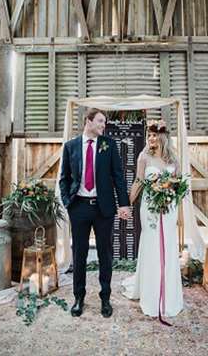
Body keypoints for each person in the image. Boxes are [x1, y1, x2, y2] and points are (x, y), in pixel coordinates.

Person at [59, 108, 131, 318]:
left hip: (103, 208)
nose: (103, 125)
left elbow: (118, 177)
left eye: (104, 122)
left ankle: (105, 298)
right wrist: (67, 202)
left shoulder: (109, 145)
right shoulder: (71, 146)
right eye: (100, 121)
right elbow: (64, 178)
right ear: (88, 121)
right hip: (79, 207)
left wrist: (123, 204)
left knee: (105, 254)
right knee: (79, 254)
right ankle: (78, 297)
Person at [122, 119, 184, 321]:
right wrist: (127, 203)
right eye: (149, 135)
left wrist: (171, 195)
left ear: (163, 137)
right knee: (151, 246)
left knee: (167, 246)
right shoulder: (143, 157)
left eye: (154, 135)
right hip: (149, 208)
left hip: (168, 208)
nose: (151, 139)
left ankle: (169, 295)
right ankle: (150, 294)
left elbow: (179, 185)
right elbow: (139, 182)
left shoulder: (174, 159)